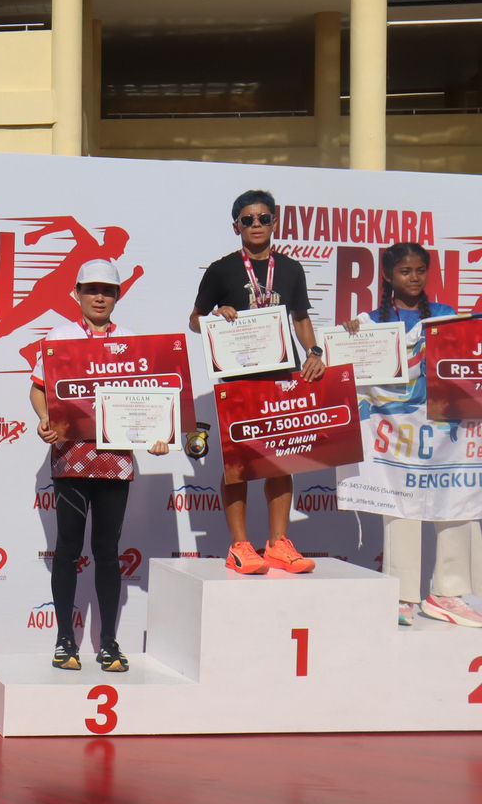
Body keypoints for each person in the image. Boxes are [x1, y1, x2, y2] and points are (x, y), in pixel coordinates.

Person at [30, 260, 170, 673]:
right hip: (71, 458)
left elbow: (151, 398)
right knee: (68, 550)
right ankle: (64, 641)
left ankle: (109, 643)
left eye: (107, 290)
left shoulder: (131, 341)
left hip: (114, 459)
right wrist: (45, 418)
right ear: (76, 293)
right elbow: (38, 390)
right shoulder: (59, 337)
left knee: (107, 552)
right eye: (91, 289)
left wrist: (158, 434)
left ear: (118, 296)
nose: (98, 297)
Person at [342, 243, 481, 628]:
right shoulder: (370, 323)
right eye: (405, 271)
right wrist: (351, 337)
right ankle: (402, 596)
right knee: (400, 504)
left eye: (421, 270)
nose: (414, 278)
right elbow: (351, 372)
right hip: (397, 434)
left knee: (456, 501)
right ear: (388, 276)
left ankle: (448, 594)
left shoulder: (446, 316)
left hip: (446, 436)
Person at [189, 188, 325, 575]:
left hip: (282, 376)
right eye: (247, 220)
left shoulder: (292, 268)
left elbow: (301, 318)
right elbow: (195, 320)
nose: (256, 225)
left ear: (274, 222)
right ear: (236, 227)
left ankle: (278, 543)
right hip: (239, 378)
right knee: (239, 464)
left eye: (263, 218)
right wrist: (216, 316)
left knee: (282, 460)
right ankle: (239, 546)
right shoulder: (221, 270)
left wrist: (314, 352)